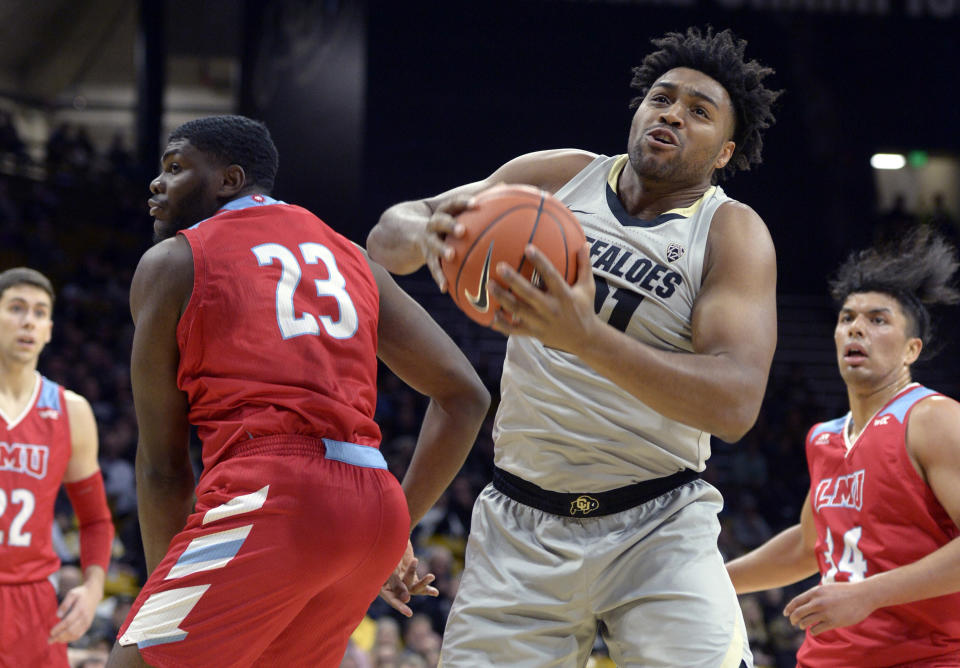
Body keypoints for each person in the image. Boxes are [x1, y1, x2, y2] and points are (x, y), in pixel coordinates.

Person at [367, 26, 780, 668]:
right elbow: (385, 240)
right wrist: (427, 230)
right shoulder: (560, 176)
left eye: (699, 111)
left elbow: (734, 403)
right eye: (662, 97)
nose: (672, 113)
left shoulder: (729, 232)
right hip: (518, 525)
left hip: (658, 526)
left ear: (725, 151)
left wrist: (586, 339)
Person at [105, 115, 490, 667]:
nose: (156, 184)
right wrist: (397, 524)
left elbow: (164, 466)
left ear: (230, 179)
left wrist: (164, 596)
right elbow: (465, 396)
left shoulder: (173, 261)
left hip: (270, 494)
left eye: (174, 167)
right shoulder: (355, 258)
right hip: (372, 508)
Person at [726, 228, 960, 666]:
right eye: (847, 318)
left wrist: (868, 595)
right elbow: (805, 547)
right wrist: (716, 581)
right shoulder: (825, 437)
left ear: (912, 350)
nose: (856, 328)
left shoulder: (932, 418)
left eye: (878, 320)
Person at [0, 267, 114, 668]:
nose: (28, 320)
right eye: (16, 308)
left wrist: (93, 588)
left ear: (49, 329)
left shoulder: (71, 411)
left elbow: (96, 520)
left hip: (34, 605)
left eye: (39, 312)